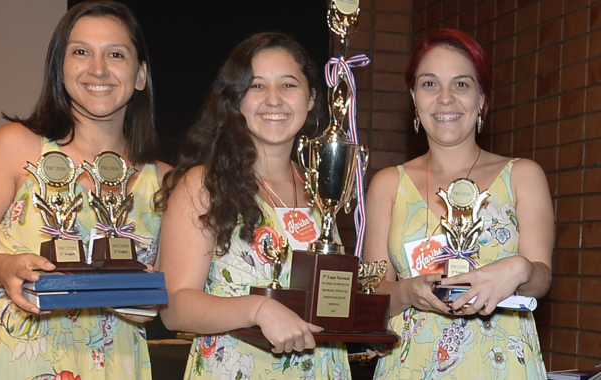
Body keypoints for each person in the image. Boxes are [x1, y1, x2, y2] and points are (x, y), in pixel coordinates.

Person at [0, 2, 170, 379]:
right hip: (20, 357)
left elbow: (174, 290)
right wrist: (2, 267)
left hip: (116, 364)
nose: (98, 68)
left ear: (140, 74)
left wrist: (152, 301)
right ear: (60, 68)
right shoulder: (16, 146)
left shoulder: (165, 181)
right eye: (80, 52)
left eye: (116, 54)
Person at [157, 32, 351, 379]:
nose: (273, 100)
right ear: (235, 100)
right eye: (257, 86)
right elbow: (174, 305)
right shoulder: (204, 184)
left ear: (310, 99)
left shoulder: (323, 190)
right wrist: (258, 309)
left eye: (288, 85)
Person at [364, 29, 553, 379]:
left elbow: (541, 279)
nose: (445, 98)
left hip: (502, 365)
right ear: (414, 97)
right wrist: (409, 291)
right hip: (411, 365)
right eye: (430, 84)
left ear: (482, 99)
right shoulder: (388, 184)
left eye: (462, 84)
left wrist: (522, 269)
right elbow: (371, 293)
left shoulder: (522, 176)